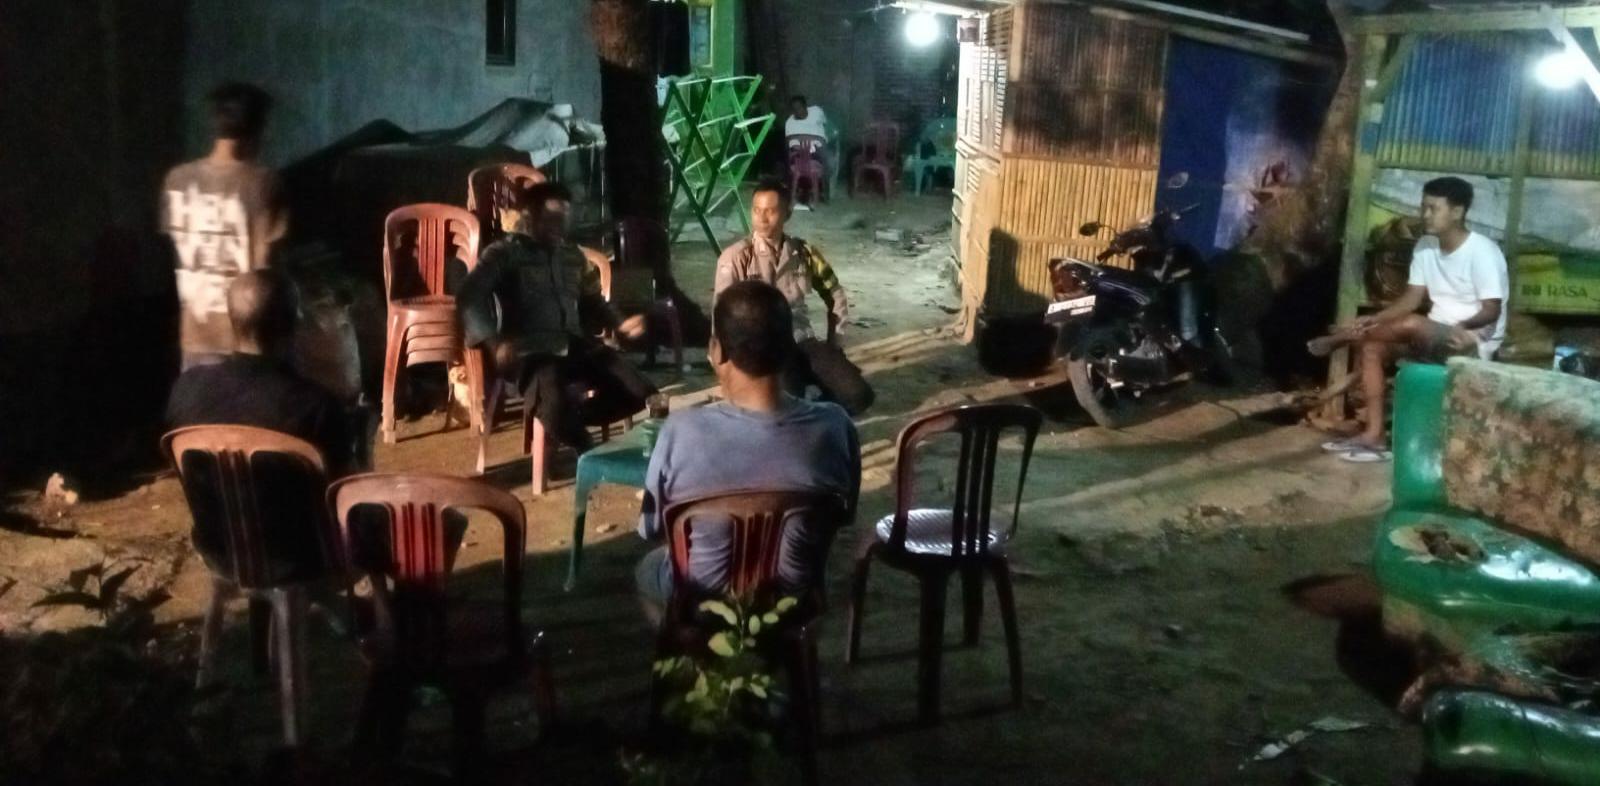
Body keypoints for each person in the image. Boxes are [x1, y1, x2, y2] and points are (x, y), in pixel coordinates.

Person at [635, 281, 860, 621]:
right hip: (790, 604)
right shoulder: (835, 425)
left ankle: (685, 643)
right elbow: (844, 515)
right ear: (788, 349)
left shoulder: (680, 431)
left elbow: (651, 528)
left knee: (648, 568)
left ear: (717, 351)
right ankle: (793, 647)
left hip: (703, 601)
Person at [167, 271, 361, 583]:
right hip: (302, 558)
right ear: (294, 325)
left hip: (220, 552)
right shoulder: (315, 406)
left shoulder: (186, 389)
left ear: (232, 321)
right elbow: (349, 493)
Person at [1308, 176, 1508, 462]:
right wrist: (1375, 318)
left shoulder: (1483, 251)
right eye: (1423, 207)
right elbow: (1411, 299)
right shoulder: (1425, 245)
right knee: (1372, 348)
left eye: (1433, 208)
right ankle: (1374, 435)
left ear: (1457, 212)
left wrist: (1464, 327)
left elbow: (1492, 310)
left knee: (1413, 323)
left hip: (1470, 340)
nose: (1425, 214)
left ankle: (1340, 338)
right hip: (1431, 335)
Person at [457, 181, 658, 452]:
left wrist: (620, 323)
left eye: (563, 221)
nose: (559, 228)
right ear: (530, 217)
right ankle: (586, 449)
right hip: (530, 352)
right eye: (551, 220)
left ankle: (573, 422)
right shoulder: (504, 254)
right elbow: (469, 297)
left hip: (574, 345)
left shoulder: (572, 256)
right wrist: (495, 344)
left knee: (642, 391)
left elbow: (594, 300)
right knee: (553, 404)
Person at [713, 180, 875, 415]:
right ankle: (805, 398)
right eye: (757, 210)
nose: (762, 218)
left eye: (770, 211)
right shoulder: (736, 258)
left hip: (802, 340)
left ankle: (815, 404)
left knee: (858, 394)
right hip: (763, 347)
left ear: (787, 214)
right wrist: (725, 362)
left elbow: (834, 293)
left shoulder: (804, 253)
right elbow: (721, 313)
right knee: (781, 404)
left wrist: (834, 344)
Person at [163, 82, 287, 371]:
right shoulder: (264, 183)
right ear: (257, 129)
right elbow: (266, 268)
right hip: (245, 345)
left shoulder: (177, 179)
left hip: (194, 337)